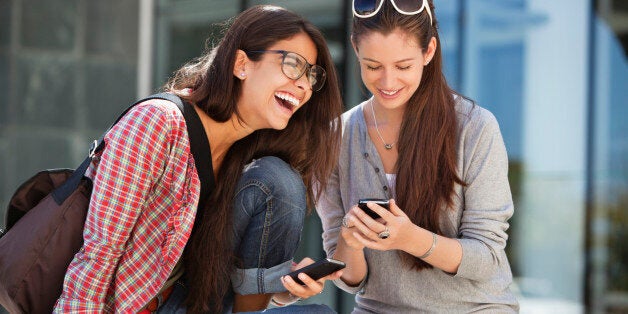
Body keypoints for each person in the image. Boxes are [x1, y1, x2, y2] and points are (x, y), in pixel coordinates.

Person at [54, 5, 343, 314]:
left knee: (278, 181)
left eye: (311, 75)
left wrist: (284, 289)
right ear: (241, 64)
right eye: (292, 64)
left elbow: (213, 270)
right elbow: (99, 254)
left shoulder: (245, 157)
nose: (303, 85)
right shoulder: (157, 122)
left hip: (194, 304)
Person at [316, 0, 519, 312]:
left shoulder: (474, 127)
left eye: (402, 66)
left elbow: (486, 259)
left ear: (429, 51)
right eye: (372, 66)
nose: (387, 82)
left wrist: (410, 238)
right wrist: (350, 239)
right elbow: (349, 277)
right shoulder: (336, 137)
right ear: (355, 49)